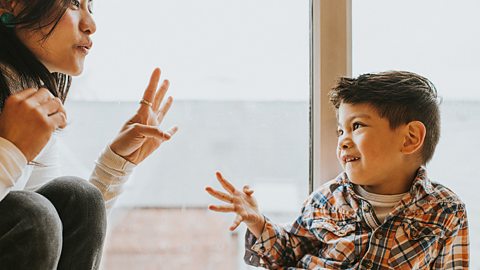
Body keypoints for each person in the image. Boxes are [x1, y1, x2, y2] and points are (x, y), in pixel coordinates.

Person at [206, 71, 469, 269]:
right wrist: (258, 223)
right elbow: (285, 252)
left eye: (357, 126)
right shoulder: (326, 199)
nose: (343, 140)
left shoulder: (444, 209)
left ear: (410, 138)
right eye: (340, 130)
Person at [0, 0, 177, 269]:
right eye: (72, 4)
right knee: (33, 215)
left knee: (79, 199)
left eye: (89, 7)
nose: (90, 25)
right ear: (10, 5)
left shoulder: (31, 95)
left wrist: (115, 165)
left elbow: (61, 241)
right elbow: (33, 223)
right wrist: (11, 151)